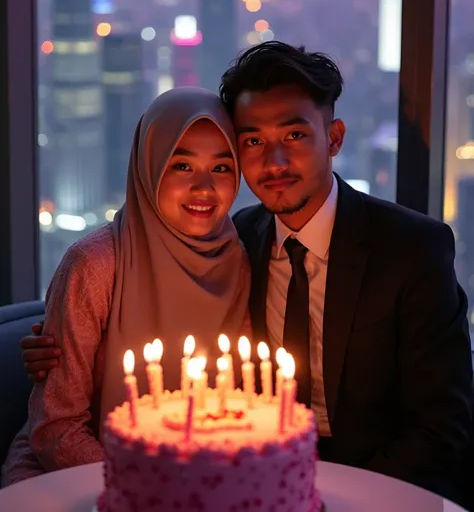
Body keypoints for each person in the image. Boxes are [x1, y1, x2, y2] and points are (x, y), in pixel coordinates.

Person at [20, 42, 473, 501]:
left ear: (334, 138)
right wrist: (52, 341)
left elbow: (442, 427)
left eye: (294, 136)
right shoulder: (241, 241)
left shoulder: (410, 249)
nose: (273, 162)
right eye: (253, 141)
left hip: (370, 482)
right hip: (227, 480)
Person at [1, 87, 250, 487]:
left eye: (221, 168)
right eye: (181, 166)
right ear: (148, 166)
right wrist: (144, 486)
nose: (204, 188)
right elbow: (54, 430)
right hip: (75, 472)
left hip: (192, 477)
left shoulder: (236, 260)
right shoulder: (96, 264)